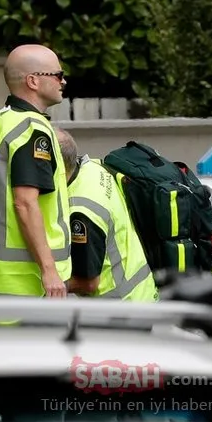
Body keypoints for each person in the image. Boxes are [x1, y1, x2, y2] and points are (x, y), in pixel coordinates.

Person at [0, 44, 72, 298]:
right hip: (24, 280)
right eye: (57, 75)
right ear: (33, 81)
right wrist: (49, 270)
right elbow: (25, 203)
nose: (63, 81)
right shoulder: (31, 130)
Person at [55, 127, 158, 301]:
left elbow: (88, 283)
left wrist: (45, 284)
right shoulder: (93, 168)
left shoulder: (81, 213)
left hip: (120, 310)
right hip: (140, 296)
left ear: (57, 166)